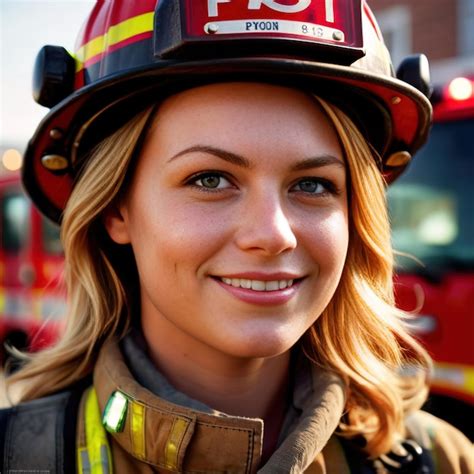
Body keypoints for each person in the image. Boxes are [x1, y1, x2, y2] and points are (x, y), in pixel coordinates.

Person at [2, 1, 472, 472]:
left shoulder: (444, 459)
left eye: (312, 185)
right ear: (115, 210)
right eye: (210, 179)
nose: (273, 234)